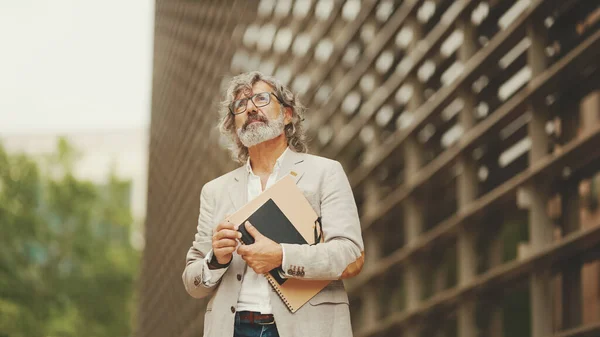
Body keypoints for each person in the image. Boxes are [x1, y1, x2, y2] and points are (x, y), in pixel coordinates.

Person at [182, 71, 365, 337]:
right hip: (233, 329)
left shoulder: (325, 173)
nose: (251, 108)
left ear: (288, 114)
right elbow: (193, 283)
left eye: (261, 98)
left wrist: (281, 256)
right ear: (233, 126)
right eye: (240, 105)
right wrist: (216, 260)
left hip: (308, 328)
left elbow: (351, 256)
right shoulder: (214, 191)